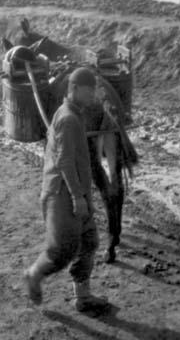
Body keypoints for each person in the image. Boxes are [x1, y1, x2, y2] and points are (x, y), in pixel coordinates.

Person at [24, 67, 109, 313]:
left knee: (89, 242)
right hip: (61, 194)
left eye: (94, 90)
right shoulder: (69, 119)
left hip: (75, 192)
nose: (93, 95)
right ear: (73, 89)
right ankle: (33, 275)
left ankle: (83, 297)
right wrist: (77, 197)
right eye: (89, 90)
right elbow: (65, 162)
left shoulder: (74, 113)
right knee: (61, 251)